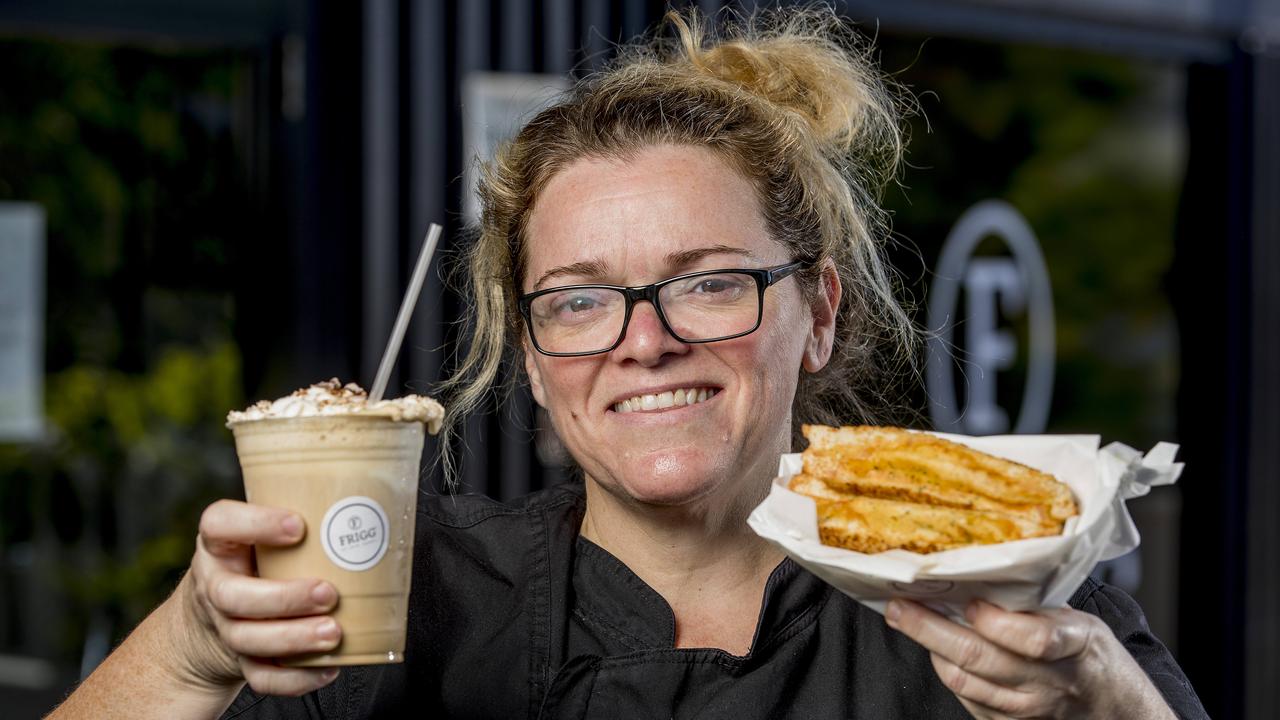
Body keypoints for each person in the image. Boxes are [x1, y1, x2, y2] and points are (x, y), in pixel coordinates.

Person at [51, 8, 1206, 719]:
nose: (641, 340)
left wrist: (1103, 707)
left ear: (817, 310)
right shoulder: (398, 602)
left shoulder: (999, 588)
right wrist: (194, 651)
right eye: (581, 299)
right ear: (536, 355)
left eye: (707, 280)